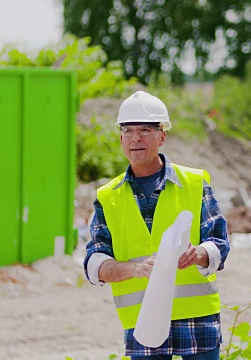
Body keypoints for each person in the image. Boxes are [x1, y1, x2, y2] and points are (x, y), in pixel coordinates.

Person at [83, 90, 230, 360]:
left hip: (197, 322)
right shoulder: (108, 196)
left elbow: (219, 243)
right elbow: (94, 265)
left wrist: (198, 253)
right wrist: (135, 269)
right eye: (128, 131)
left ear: (162, 135)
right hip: (144, 322)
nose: (136, 138)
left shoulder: (195, 183)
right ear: (120, 139)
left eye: (145, 130)